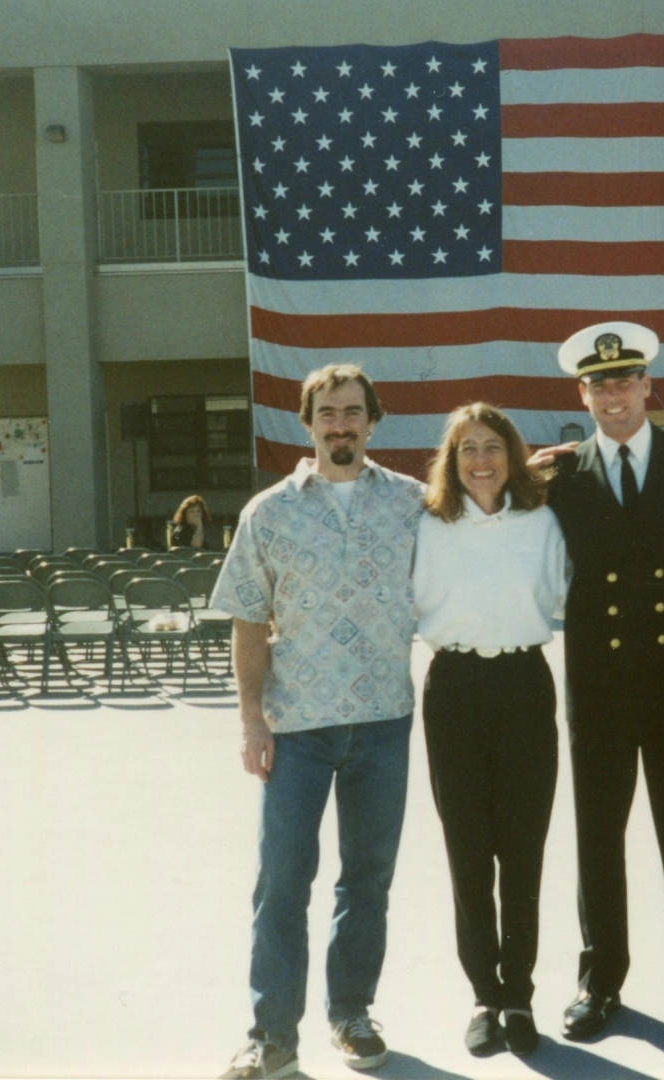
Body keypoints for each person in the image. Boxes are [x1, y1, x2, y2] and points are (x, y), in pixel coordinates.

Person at [210, 364, 426, 1080]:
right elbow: (246, 618)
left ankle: (352, 1014)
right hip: (296, 727)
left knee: (366, 879)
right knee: (282, 881)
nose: (340, 424)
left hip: (383, 722)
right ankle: (271, 1036)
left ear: (373, 420)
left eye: (352, 412)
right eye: (327, 413)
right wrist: (250, 719)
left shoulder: (413, 504)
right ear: (307, 424)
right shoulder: (268, 512)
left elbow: (488, 518)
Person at [535, 321, 664, 1039]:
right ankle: (600, 981)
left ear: (649, 386)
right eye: (598, 384)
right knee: (598, 838)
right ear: (580, 394)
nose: (612, 395)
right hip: (600, 682)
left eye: (624, 380)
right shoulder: (557, 474)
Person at [413, 403, 567, 1059]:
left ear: (511, 455)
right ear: (451, 460)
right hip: (454, 690)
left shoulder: (541, 521)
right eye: (467, 448)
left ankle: (519, 996)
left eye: (493, 447)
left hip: (523, 686)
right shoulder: (427, 523)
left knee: (523, 853)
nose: (481, 460)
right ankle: (483, 994)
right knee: (469, 854)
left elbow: (562, 593)